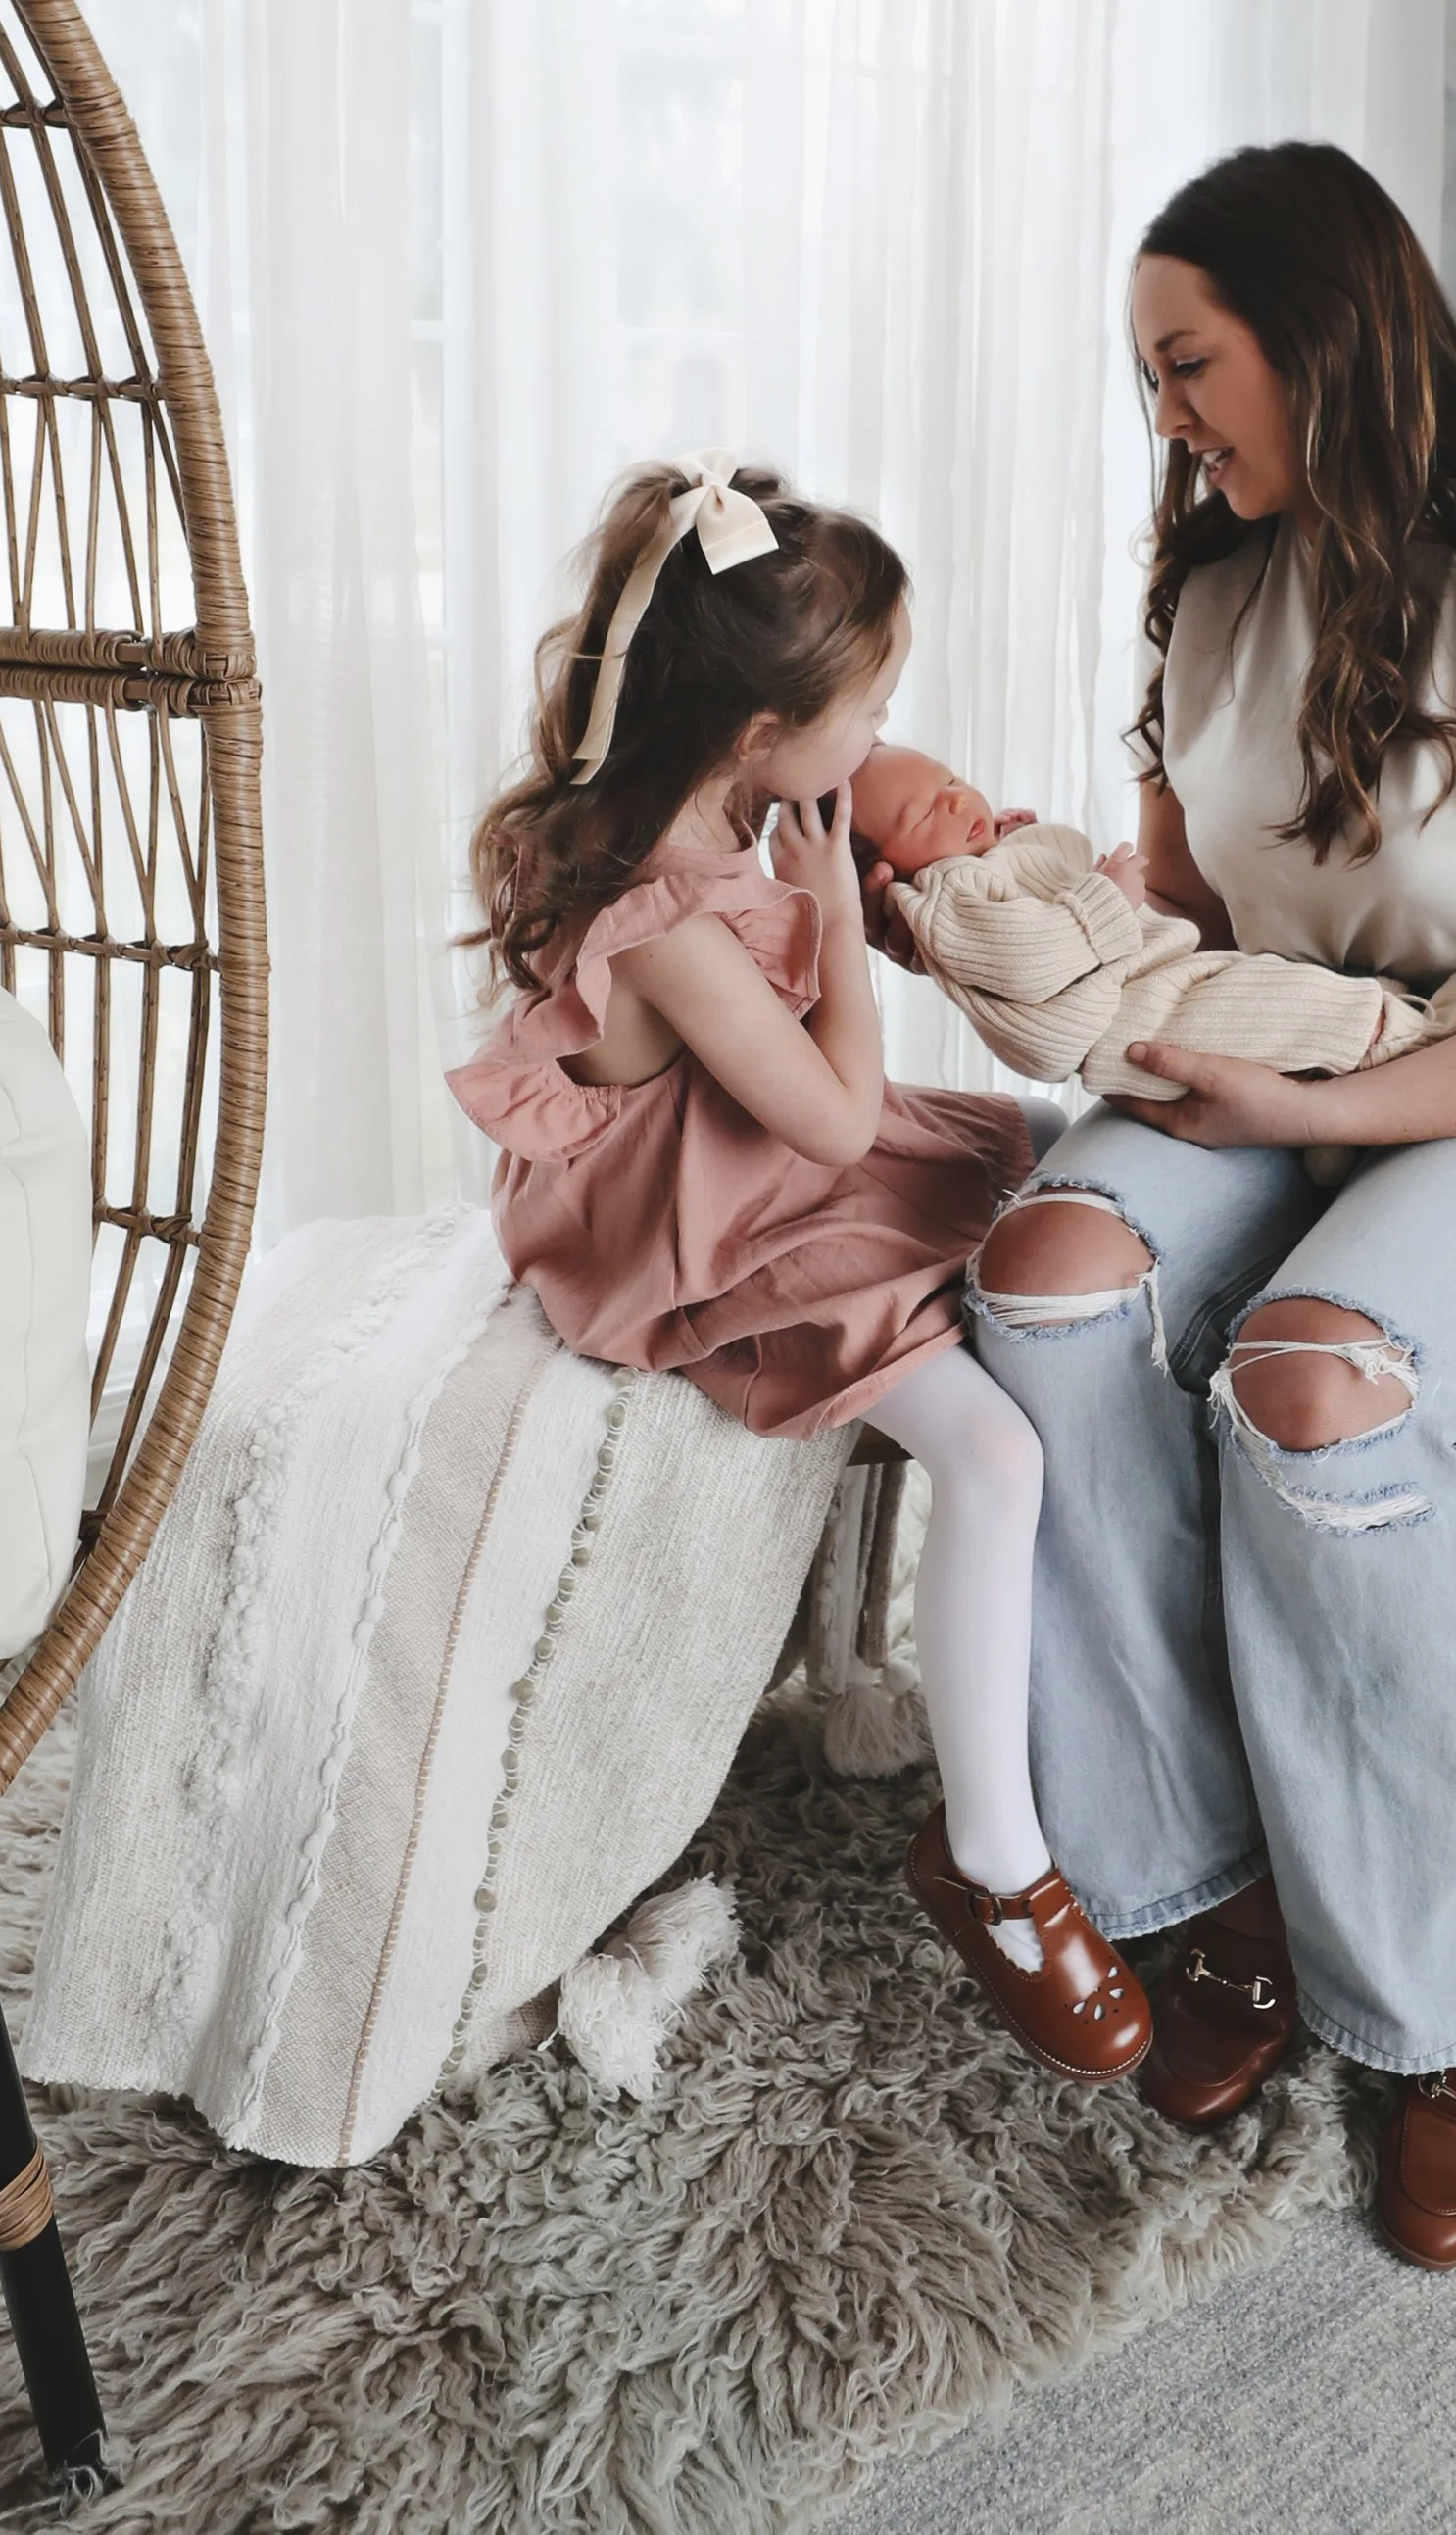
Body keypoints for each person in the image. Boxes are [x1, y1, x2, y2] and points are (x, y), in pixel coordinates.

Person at [947, 144, 1456, 2268]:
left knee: (1314, 1390)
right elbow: (1197, 904)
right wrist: (1053, 925)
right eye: (1148, 378)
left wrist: (1336, 1097)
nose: (1167, 419)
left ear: (1322, 333)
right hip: (1289, 1068)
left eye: (1186, 365)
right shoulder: (1209, 579)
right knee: (1035, 1292)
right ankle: (1193, 1880)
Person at [449, 455, 1149, 2086]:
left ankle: (1096, 1699)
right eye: (869, 696)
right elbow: (833, 1119)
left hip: (766, 1147)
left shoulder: (732, 800)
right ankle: (996, 1863)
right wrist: (836, 908)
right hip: (718, 1223)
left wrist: (972, 880)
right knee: (993, 1449)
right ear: (754, 733)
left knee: (1060, 1166)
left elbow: (845, 1028)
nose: (886, 726)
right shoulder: (671, 913)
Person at [849, 738, 1456, 1104]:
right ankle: (1421, 1039)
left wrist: (1029, 840)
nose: (956, 800)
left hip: (1158, 981)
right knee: (1278, 1008)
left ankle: (1351, 1074)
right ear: (890, 871)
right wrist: (1104, 898)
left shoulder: (978, 866)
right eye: (921, 814)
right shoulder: (942, 892)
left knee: (1270, 1000)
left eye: (952, 780)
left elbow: (1053, 887)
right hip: (1137, 1017)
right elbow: (1031, 957)